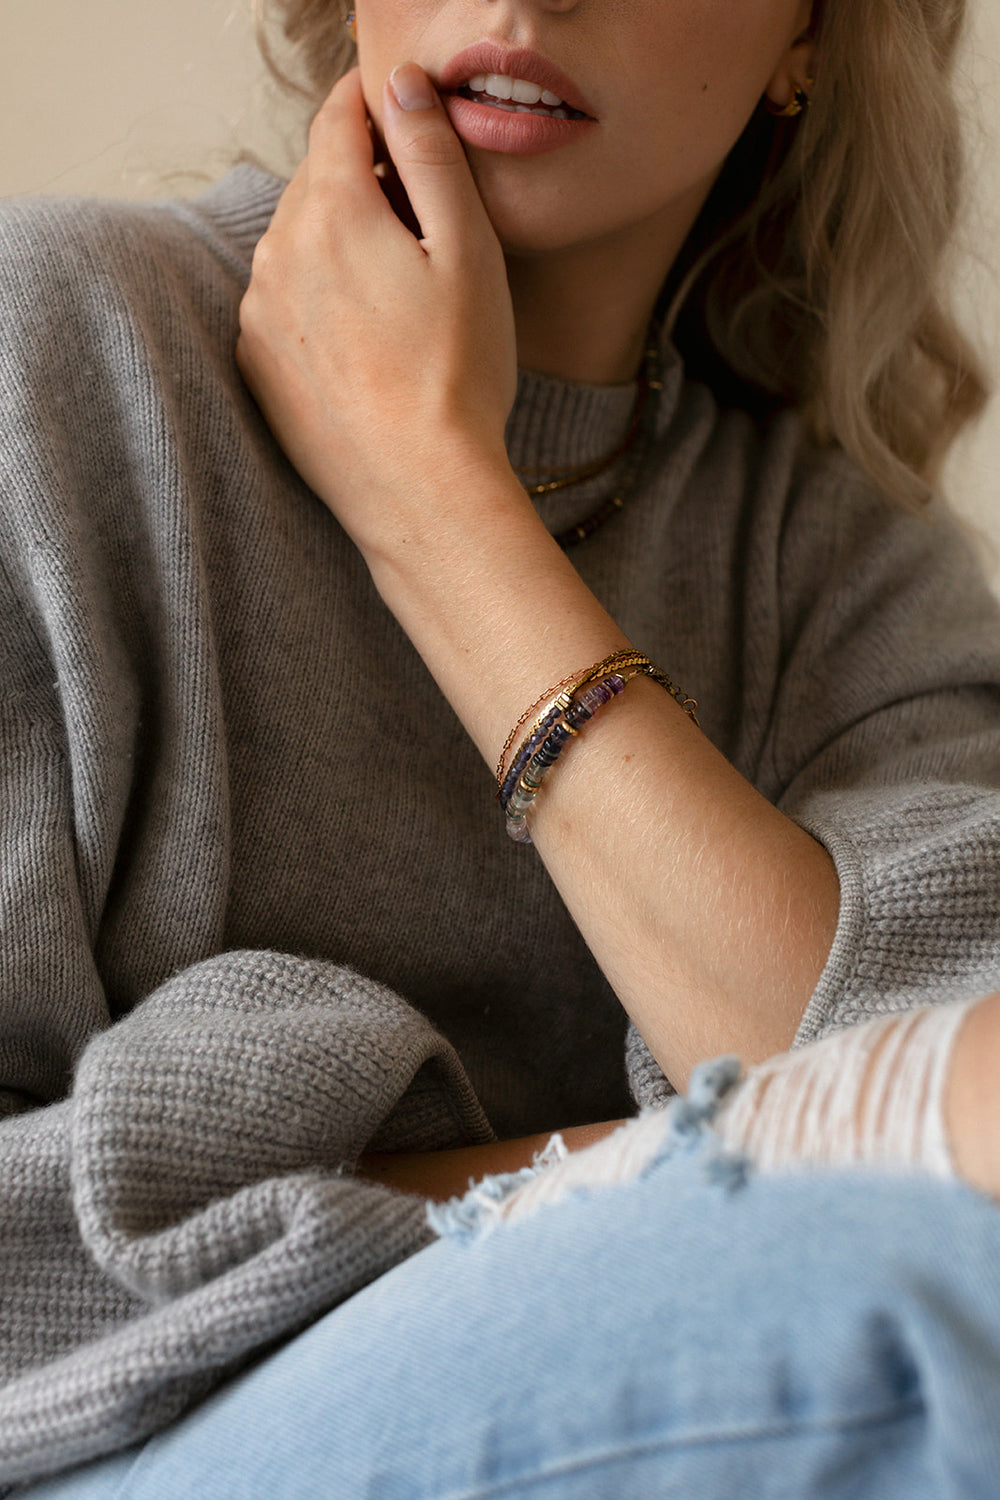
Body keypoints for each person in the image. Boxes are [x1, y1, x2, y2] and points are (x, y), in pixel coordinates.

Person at [2, 0, 1000, 1489]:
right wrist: (620, 1174)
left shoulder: (843, 569)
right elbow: (893, 1139)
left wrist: (431, 495)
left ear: (812, 35)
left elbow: (940, 1119)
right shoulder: (51, 349)